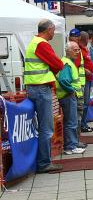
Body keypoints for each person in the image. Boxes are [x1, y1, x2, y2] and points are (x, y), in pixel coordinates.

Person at [25, 19, 64, 173]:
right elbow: (58, 64)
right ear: (49, 29)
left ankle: (42, 161)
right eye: (53, 30)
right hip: (41, 88)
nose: (54, 33)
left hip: (33, 87)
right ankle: (44, 163)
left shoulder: (33, 42)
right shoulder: (42, 44)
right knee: (46, 128)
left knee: (40, 127)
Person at [56, 42, 86, 155]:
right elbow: (63, 80)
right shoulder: (67, 63)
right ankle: (71, 146)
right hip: (67, 96)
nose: (78, 52)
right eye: (75, 50)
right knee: (71, 121)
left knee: (70, 121)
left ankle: (70, 145)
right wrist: (71, 91)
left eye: (78, 50)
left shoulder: (67, 62)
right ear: (67, 51)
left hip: (66, 96)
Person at [78, 31, 93, 133]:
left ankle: (83, 123)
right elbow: (78, 64)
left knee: (86, 102)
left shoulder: (85, 49)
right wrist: (86, 71)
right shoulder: (79, 49)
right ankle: (82, 124)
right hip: (84, 79)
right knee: (84, 103)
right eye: (87, 38)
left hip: (88, 79)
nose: (88, 39)